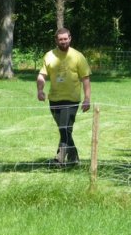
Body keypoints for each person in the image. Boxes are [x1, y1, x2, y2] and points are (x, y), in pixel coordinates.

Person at [37, 28, 91, 165]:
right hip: (54, 98)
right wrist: (40, 90)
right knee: (66, 130)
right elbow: (42, 75)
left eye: (65, 39)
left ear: (70, 38)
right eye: (60, 39)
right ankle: (74, 159)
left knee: (63, 128)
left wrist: (87, 99)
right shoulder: (49, 56)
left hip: (71, 99)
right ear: (56, 40)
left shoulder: (78, 56)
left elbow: (85, 79)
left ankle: (59, 159)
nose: (63, 42)